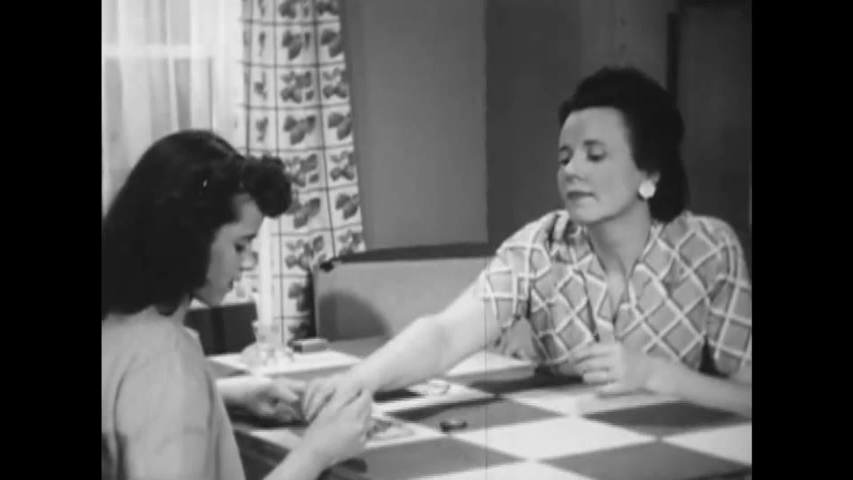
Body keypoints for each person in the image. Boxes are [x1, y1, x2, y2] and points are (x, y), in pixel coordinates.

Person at [302, 66, 752, 420]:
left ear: (649, 173)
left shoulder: (709, 249)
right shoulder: (541, 246)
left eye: (595, 155)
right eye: (564, 157)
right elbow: (445, 335)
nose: (572, 170)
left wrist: (654, 374)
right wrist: (360, 380)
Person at [102, 130, 372, 480]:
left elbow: (135, 407)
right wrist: (318, 450)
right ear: (191, 237)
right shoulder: (166, 360)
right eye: (240, 246)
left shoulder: (120, 326)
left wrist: (223, 395)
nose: (246, 263)